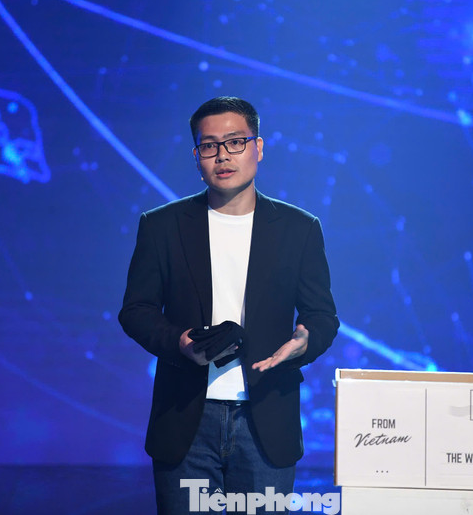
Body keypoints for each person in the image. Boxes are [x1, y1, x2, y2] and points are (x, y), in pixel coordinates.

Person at [119, 96, 339, 514]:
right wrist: (179, 342)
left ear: (258, 147)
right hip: (185, 418)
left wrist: (303, 342)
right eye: (209, 146)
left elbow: (322, 315)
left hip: (266, 418)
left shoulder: (299, 229)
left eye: (236, 142)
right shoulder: (162, 225)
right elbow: (136, 310)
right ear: (196, 157)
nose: (222, 155)